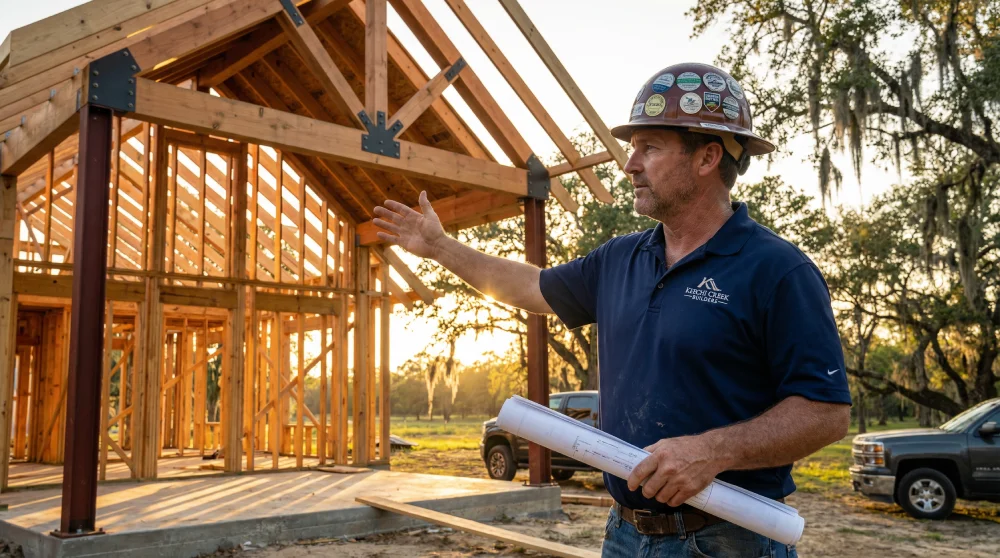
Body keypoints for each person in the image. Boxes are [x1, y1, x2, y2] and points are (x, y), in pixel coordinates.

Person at [372, 62, 851, 558]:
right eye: (632, 147)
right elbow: (532, 286)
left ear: (708, 157)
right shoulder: (620, 258)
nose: (630, 164)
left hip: (731, 538)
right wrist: (440, 247)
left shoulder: (776, 270)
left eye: (650, 147)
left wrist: (711, 452)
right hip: (624, 534)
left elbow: (826, 413)